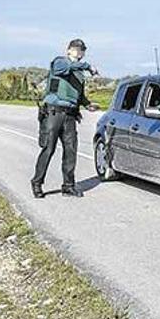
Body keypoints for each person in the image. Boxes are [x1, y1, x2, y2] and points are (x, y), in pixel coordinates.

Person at [32, 38, 99, 199]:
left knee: (71, 151)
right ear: (68, 50)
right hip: (53, 114)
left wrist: (88, 104)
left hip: (70, 115)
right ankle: (37, 182)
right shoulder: (60, 62)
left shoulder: (79, 73)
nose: (79, 52)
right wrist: (88, 66)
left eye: (81, 50)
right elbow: (68, 67)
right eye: (75, 49)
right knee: (48, 149)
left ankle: (68, 186)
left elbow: (79, 95)